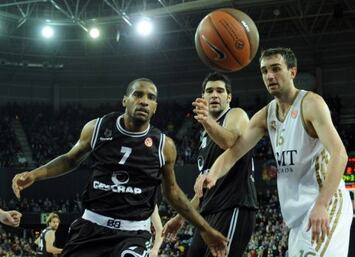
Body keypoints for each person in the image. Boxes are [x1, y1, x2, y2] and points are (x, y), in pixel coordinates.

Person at [12, 78, 227, 257]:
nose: (144, 101)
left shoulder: (164, 146)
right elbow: (70, 159)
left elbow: (172, 192)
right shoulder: (97, 128)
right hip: (90, 228)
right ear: (125, 100)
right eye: (138, 95)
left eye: (151, 98)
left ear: (155, 108)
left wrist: (205, 229)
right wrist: (35, 174)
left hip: (132, 235)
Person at [195, 48, 353, 257]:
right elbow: (234, 152)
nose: (269, 76)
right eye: (264, 71)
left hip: (326, 203)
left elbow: (340, 154)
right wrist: (212, 174)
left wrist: (322, 204)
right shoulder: (266, 114)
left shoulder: (311, 104)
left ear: (292, 72)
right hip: (297, 217)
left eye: (276, 69)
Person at [163, 72, 258, 257]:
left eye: (220, 91)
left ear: (228, 97)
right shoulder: (204, 136)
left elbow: (230, 141)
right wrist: (180, 218)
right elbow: (202, 192)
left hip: (234, 206)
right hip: (208, 213)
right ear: (203, 97)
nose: (214, 94)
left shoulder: (236, 114)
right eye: (209, 91)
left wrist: (206, 120)